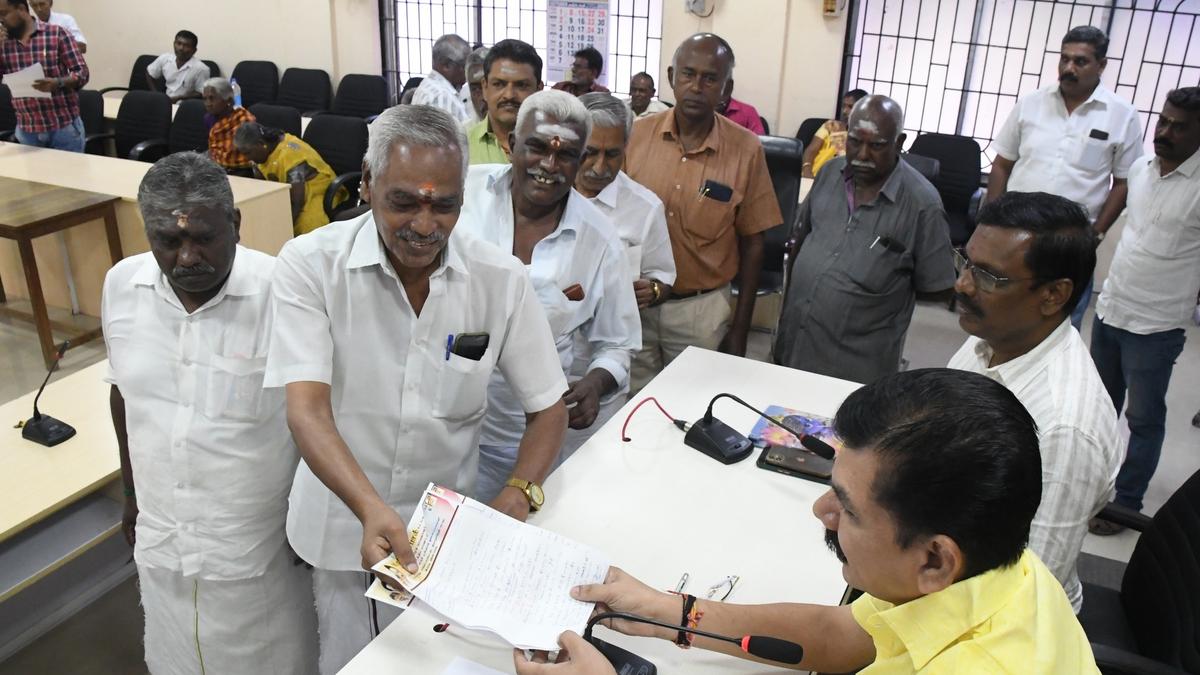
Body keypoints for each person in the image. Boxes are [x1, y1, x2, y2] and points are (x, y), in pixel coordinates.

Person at [513, 369, 1099, 674]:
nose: (821, 511)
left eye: (846, 507)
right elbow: (845, 638)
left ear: (933, 559)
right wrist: (672, 612)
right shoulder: (992, 573)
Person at [263, 104, 568, 674]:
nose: (425, 225)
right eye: (404, 202)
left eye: (444, 204)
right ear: (368, 179)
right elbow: (306, 410)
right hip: (341, 526)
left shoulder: (499, 280)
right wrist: (370, 508)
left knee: (436, 664)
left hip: (445, 539)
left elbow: (548, 407)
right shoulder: (310, 266)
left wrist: (517, 494)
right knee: (350, 658)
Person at [103, 153, 318, 675]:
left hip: (256, 550)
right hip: (164, 542)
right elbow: (122, 393)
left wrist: (314, 521)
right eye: (169, 242)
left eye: (203, 238)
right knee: (174, 660)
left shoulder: (284, 293)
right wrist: (132, 494)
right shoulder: (121, 286)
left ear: (235, 225)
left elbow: (322, 416)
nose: (186, 257)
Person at [457, 90, 639, 498]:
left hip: (527, 435)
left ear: (579, 162)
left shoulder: (599, 239)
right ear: (510, 145)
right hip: (443, 423)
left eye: (567, 155)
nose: (549, 165)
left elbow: (619, 344)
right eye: (536, 148)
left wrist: (595, 383)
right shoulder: (464, 199)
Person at [948, 191, 1120, 611]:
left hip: (1001, 626)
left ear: (1054, 295)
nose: (962, 284)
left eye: (990, 277)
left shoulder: (1063, 427)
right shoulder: (986, 343)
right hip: (948, 543)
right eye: (966, 262)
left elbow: (1028, 592)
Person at [624, 33, 782, 388]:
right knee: (631, 410)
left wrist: (740, 329)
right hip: (635, 307)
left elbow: (754, 243)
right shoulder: (634, 136)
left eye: (710, 78)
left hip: (701, 310)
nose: (696, 86)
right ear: (671, 78)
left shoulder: (746, 149)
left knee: (695, 410)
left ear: (726, 89)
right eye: (687, 74)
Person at [775, 95, 956, 384]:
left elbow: (938, 286)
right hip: (794, 343)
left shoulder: (923, 204)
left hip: (856, 366)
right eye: (855, 142)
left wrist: (874, 287)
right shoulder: (829, 174)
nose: (862, 155)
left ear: (899, 143)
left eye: (877, 146)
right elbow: (802, 239)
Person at [1088, 87, 1200, 533]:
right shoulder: (1139, 169)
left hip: (1157, 323)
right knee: (1099, 408)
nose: (1166, 132)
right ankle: (1091, 484)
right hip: (1113, 306)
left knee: (1144, 418)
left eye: (1180, 126)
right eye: (1164, 121)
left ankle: (1127, 502)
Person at [987, 26, 1142, 331]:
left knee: (1060, 323)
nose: (1069, 68)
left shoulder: (1122, 115)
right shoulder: (1030, 104)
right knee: (1002, 312)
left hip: (1072, 239)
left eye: (1080, 61)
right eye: (1064, 59)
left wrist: (1095, 235)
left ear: (1101, 65)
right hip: (1017, 232)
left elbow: (1123, 183)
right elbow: (1002, 164)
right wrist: (990, 221)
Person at [567, 92, 674, 446]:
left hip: (604, 363)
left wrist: (653, 290)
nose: (600, 166)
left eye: (612, 154)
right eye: (590, 152)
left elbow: (663, 276)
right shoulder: (546, 195)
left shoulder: (644, 208)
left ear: (626, 146)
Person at [0, 0, 88, 152]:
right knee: (31, 176)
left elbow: (82, 73)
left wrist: (57, 82)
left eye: (4, 13)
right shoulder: (4, 43)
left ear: (21, 9)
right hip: (27, 131)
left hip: (63, 128)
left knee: (69, 175)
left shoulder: (56, 33)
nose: (1, 19)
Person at [233, 121, 347, 236]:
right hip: (287, 190)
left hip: (317, 188)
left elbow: (297, 202)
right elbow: (263, 187)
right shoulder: (259, 154)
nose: (245, 158)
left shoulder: (290, 154)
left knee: (306, 227)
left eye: (247, 153)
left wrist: (282, 230)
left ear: (261, 143)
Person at [467, 39, 543, 164]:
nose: (509, 95)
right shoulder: (461, 147)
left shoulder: (556, 148)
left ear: (538, 90)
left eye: (522, 85)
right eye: (499, 84)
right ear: (485, 88)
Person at [803, 88, 869, 178]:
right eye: (844, 106)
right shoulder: (831, 126)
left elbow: (848, 162)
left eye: (850, 107)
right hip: (813, 177)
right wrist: (807, 170)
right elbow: (811, 150)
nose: (844, 111)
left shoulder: (866, 136)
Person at [411, 33, 473, 124]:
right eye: (464, 66)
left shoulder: (429, 87)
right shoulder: (441, 97)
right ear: (446, 65)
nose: (467, 72)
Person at [202, 77, 256, 176]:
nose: (208, 104)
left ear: (229, 101)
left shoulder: (245, 120)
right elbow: (214, 149)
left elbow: (248, 156)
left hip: (242, 171)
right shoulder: (208, 118)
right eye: (205, 99)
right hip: (216, 167)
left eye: (212, 98)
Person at [146, 30, 210, 103]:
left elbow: (201, 92)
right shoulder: (165, 58)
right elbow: (149, 73)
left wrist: (180, 98)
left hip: (185, 106)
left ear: (194, 50)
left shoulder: (201, 69)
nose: (181, 48)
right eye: (178, 43)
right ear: (174, 44)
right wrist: (156, 94)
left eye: (186, 45)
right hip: (164, 102)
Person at [462, 46, 489, 123]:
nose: (483, 97)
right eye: (475, 89)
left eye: (488, 86)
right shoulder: (464, 133)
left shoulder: (521, 132)